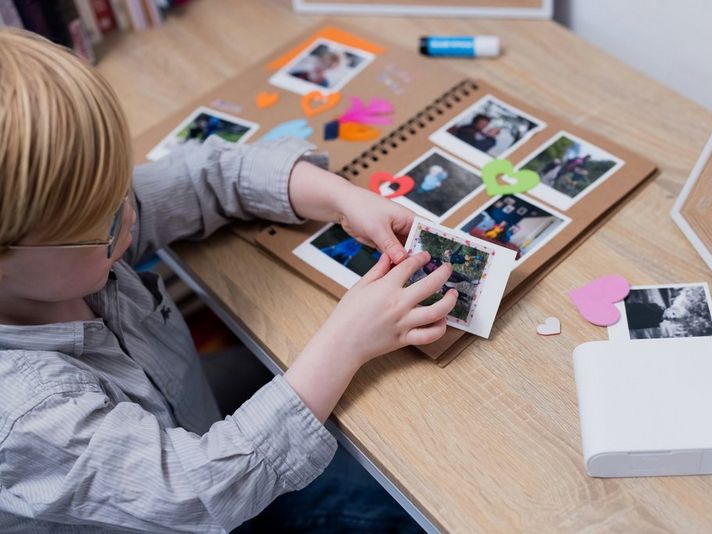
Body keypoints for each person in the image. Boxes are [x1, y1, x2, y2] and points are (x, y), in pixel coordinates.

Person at [0, 28, 459, 532]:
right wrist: (345, 342)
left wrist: (340, 198)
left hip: (191, 411)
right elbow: (194, 495)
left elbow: (206, 177)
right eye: (106, 224)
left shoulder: (53, 244)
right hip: (202, 507)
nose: (130, 215)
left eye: (122, 191)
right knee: (410, 502)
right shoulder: (27, 417)